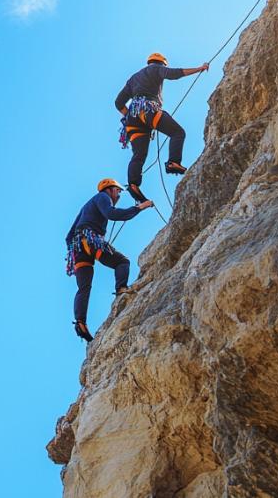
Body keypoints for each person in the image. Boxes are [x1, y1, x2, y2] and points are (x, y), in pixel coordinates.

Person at [114, 52, 209, 203]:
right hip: (147, 109)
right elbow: (174, 74)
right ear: (162, 63)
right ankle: (173, 162)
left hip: (133, 119)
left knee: (139, 155)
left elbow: (118, 102)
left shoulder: (132, 79)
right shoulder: (156, 68)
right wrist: (199, 68)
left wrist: (129, 116)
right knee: (178, 133)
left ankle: (133, 184)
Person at [65, 179, 152, 342]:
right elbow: (112, 214)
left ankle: (80, 322)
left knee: (84, 287)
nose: (118, 195)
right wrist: (140, 207)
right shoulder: (103, 197)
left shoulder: (86, 206)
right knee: (122, 262)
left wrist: (75, 253)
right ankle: (121, 288)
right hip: (89, 240)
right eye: (118, 191)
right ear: (110, 189)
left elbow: (68, 237)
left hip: (78, 248)